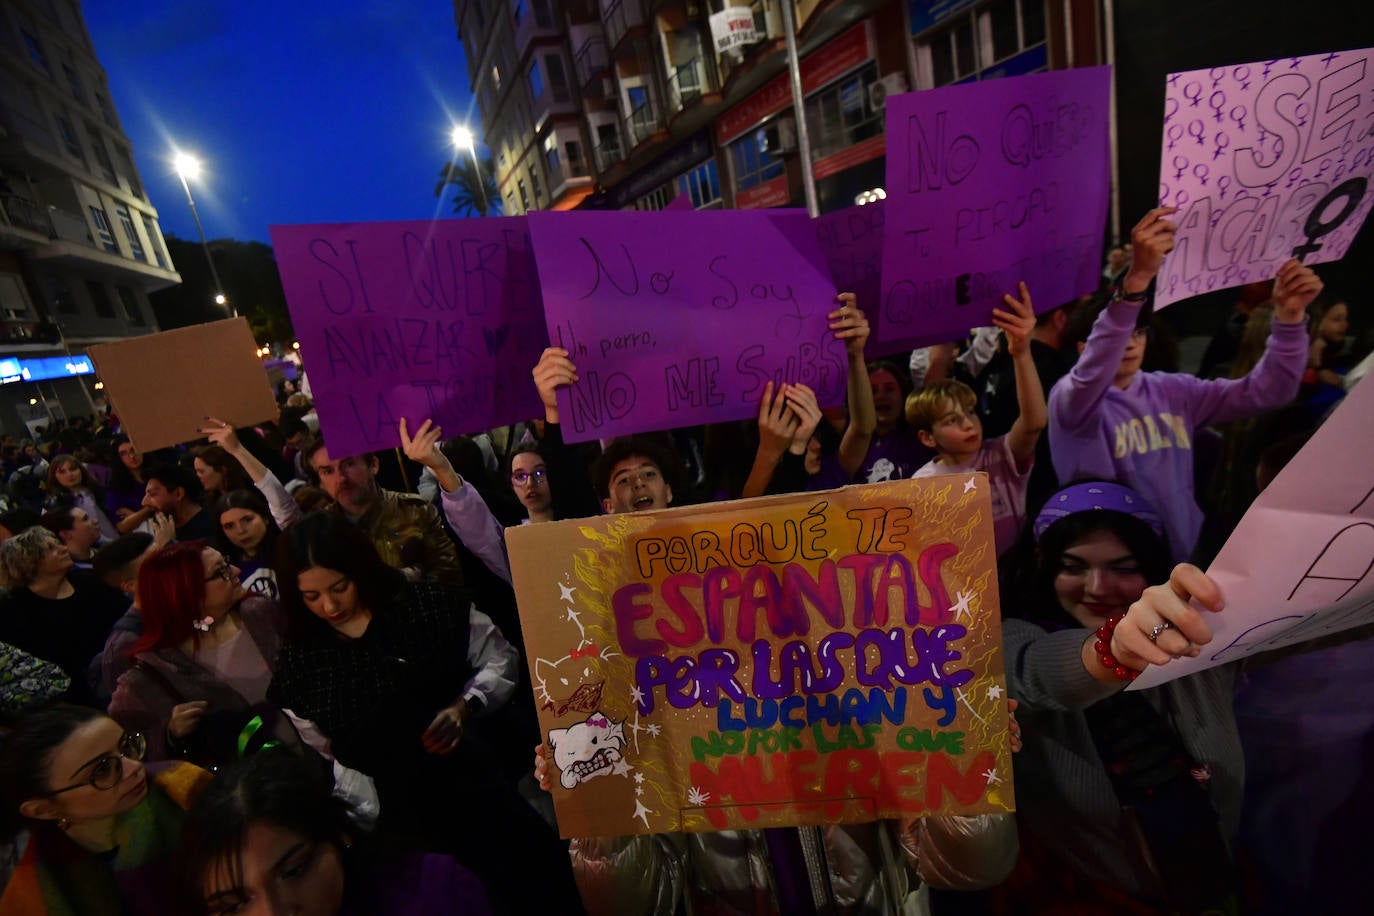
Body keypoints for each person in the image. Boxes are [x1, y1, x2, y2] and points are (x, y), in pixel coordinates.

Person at [267, 512, 583, 914]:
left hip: (479, 793)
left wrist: (464, 707)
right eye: (311, 597)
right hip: (402, 829)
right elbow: (324, 743)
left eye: (339, 587)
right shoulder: (301, 665)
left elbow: (500, 658)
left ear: (360, 570)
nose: (329, 606)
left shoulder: (422, 607)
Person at [999, 481, 1243, 912]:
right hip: (1088, 894)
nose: (1097, 587)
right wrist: (1115, 650)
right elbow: (1036, 672)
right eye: (1072, 566)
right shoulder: (1014, 634)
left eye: (1123, 567)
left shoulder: (1193, 632)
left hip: (1220, 873)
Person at [1048, 207, 1322, 562]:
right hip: (1111, 568)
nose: (1130, 342)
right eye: (1121, 334)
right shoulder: (1072, 400)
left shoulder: (1173, 390)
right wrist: (1136, 282)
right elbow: (1096, 364)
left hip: (1184, 555)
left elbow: (1269, 391)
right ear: (1087, 348)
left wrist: (1289, 318)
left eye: (1140, 332)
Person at [176, 749, 491, 916]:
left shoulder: (433, 893)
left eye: (295, 870)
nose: (274, 911)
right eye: (234, 906)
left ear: (338, 836)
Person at [0, 704, 212, 915]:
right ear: (43, 810)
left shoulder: (183, 788)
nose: (134, 768)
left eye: (126, 747)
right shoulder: (33, 886)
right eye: (102, 770)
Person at [107, 542, 302, 765]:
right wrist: (169, 734)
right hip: (263, 785)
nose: (236, 571)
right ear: (185, 592)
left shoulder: (261, 613)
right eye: (221, 572)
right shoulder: (152, 672)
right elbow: (126, 746)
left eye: (226, 563)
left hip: (322, 756)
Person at [909, 282, 1045, 556]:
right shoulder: (922, 483)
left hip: (1015, 575)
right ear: (927, 437)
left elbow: (1034, 424)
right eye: (951, 420)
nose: (968, 424)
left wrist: (1021, 353)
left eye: (970, 412)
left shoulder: (999, 456)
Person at [0, 527, 128, 705]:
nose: (64, 549)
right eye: (51, 549)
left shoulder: (89, 579)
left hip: (125, 665)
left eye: (58, 544)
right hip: (79, 696)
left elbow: (126, 615)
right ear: (30, 562)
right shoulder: (14, 610)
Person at [212, 488, 282, 598]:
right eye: (229, 526)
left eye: (247, 520)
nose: (241, 530)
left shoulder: (287, 549)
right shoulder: (228, 570)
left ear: (265, 518)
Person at [43, 454, 119, 541]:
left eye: (73, 469)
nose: (70, 474)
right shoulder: (57, 504)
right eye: (62, 472)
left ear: (81, 470)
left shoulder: (98, 491)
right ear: (54, 477)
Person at [143, 464, 215, 542]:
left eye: (153, 494)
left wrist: (168, 544)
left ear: (178, 494)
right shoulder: (161, 523)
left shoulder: (212, 527)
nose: (144, 502)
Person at [107, 435, 153, 535]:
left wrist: (135, 515)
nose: (132, 456)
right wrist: (150, 509)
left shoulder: (157, 474)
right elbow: (122, 527)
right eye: (124, 454)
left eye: (133, 450)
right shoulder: (116, 489)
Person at [39, 506, 104, 568]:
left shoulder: (103, 550)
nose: (95, 521)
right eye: (85, 519)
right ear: (66, 534)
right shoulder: (75, 574)